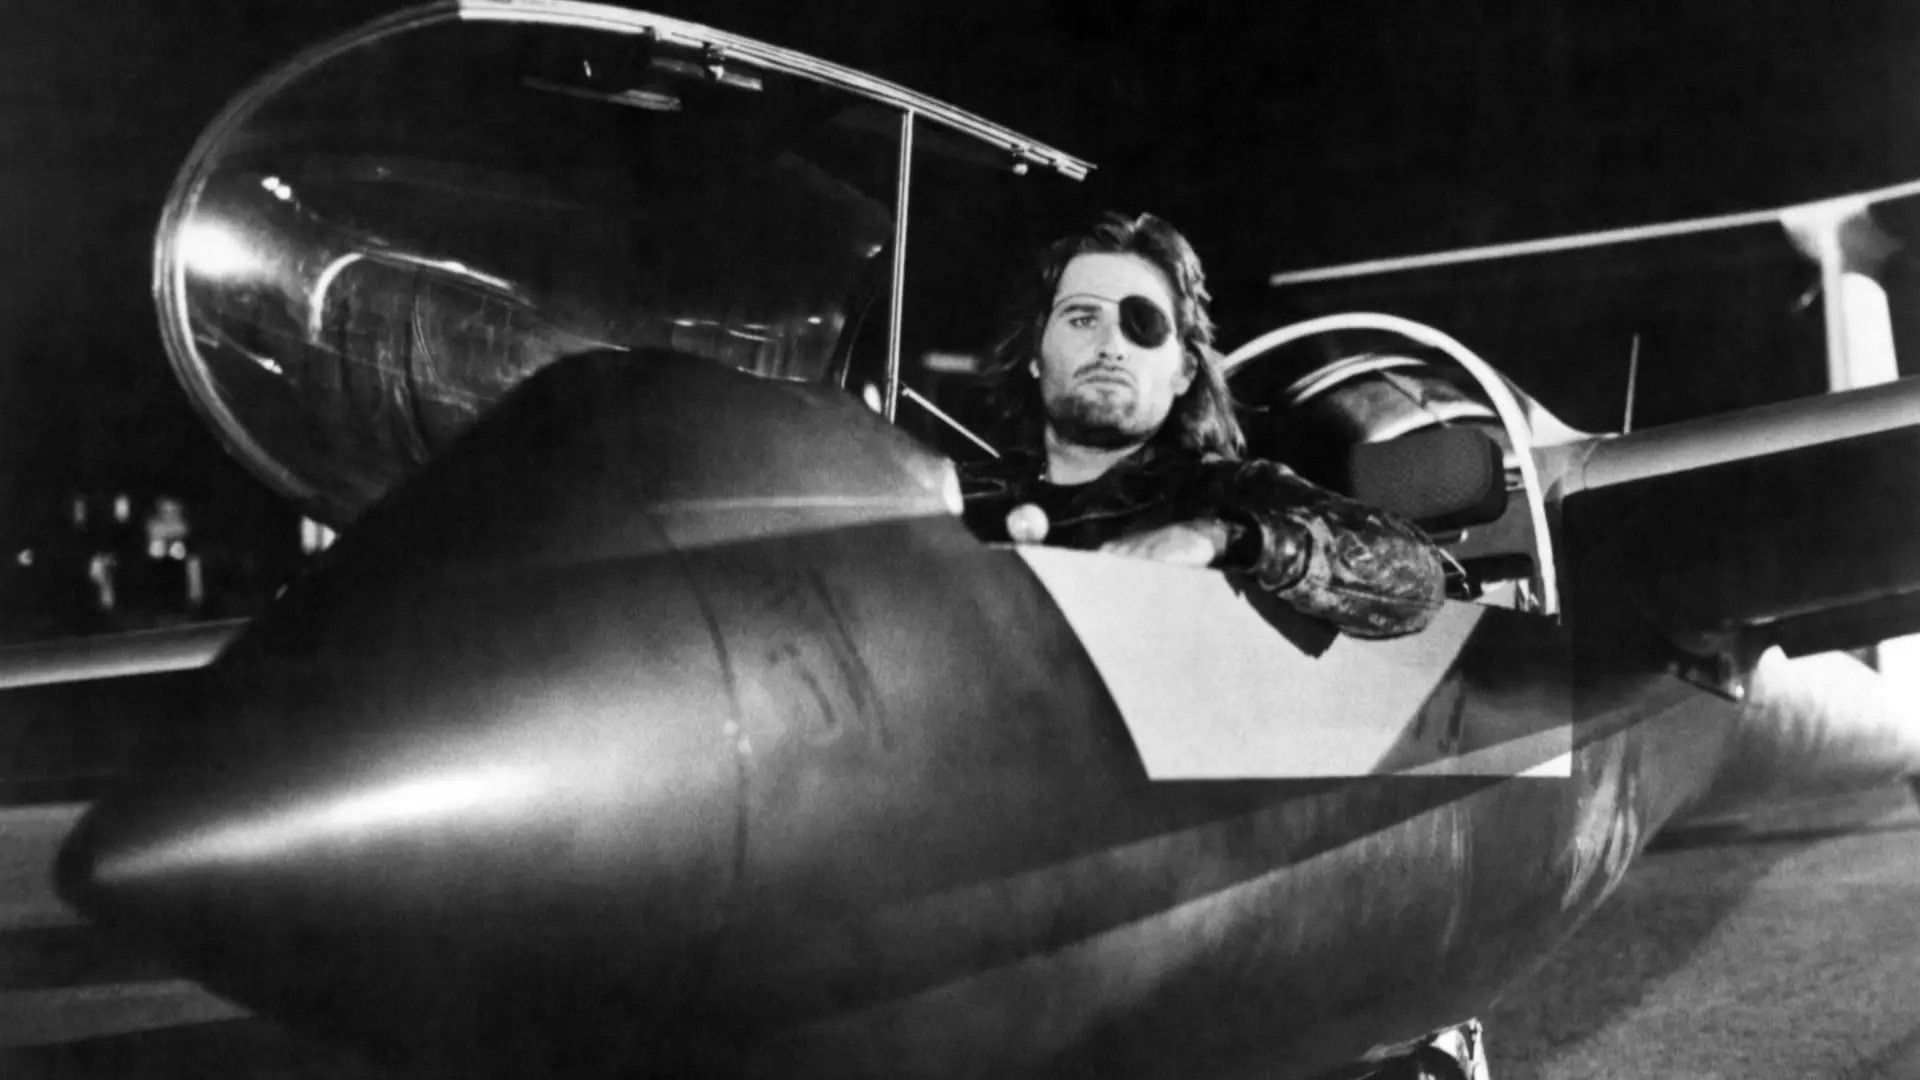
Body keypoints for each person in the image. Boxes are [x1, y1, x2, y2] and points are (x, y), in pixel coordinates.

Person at [960, 212, 1446, 639]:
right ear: (1035, 356)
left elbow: (1416, 577)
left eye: (1142, 325)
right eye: (1083, 319)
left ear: (1185, 372)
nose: (1111, 347)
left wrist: (1226, 541)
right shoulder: (957, 498)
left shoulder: (1227, 492)